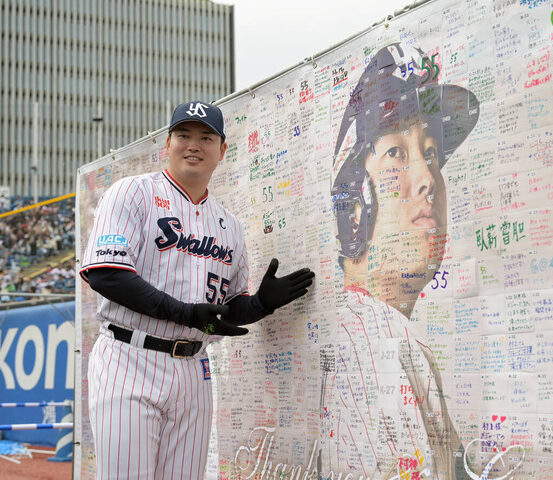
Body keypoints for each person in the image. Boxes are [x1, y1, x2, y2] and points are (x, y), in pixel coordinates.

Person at [80, 100, 315, 480]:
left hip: (193, 367)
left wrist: (259, 304)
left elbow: (222, 313)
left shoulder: (229, 224)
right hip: (128, 356)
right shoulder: (132, 192)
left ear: (222, 151)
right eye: (184, 135)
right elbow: (107, 275)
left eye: (206, 137)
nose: (194, 145)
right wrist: (186, 313)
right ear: (167, 144)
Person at [324, 44, 479, 479]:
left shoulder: (382, 330)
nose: (428, 178)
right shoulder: (375, 344)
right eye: (396, 152)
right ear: (354, 205)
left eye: (431, 153)